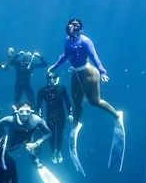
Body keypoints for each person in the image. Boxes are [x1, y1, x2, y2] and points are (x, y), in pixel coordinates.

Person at [47, 18, 124, 175]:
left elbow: (94, 56)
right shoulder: (67, 41)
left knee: (94, 102)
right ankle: (75, 124)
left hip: (88, 73)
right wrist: (54, 67)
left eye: (75, 26)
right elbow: (65, 56)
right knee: (76, 102)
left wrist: (103, 72)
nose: (71, 28)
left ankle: (117, 115)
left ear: (79, 28)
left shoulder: (85, 40)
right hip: (76, 74)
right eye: (70, 25)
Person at [0, 102, 70, 183]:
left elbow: (49, 134)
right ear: (17, 112)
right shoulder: (11, 119)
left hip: (27, 142)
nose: (25, 114)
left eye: (27, 111)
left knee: (35, 151)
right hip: (11, 143)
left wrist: (36, 144)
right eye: (21, 111)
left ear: (31, 112)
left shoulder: (36, 119)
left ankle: (36, 161)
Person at [36, 71, 73, 164]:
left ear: (57, 78)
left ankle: (59, 151)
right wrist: (40, 116)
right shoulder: (42, 90)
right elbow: (39, 105)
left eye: (53, 77)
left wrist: (70, 113)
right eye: (49, 78)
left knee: (60, 133)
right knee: (51, 134)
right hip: (49, 115)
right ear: (47, 79)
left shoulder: (62, 88)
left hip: (61, 114)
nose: (51, 80)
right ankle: (53, 152)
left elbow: (67, 101)